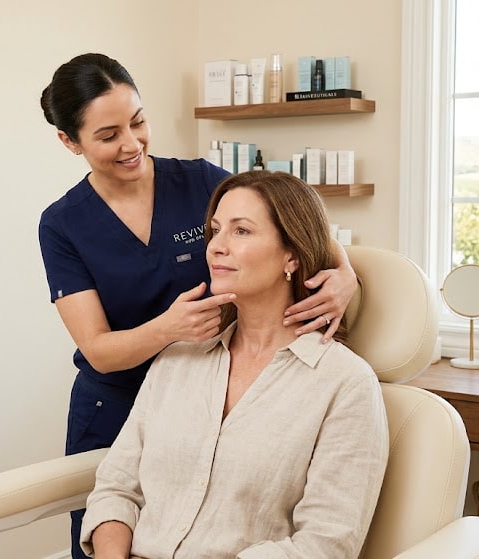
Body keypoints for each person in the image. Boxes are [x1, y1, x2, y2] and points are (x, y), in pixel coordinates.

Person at [37, 53, 359, 558]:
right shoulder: (63, 224)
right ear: (70, 141)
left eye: (138, 122)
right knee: (109, 523)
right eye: (108, 135)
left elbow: (295, 222)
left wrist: (347, 275)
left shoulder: (201, 180)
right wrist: (169, 331)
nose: (132, 144)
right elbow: (98, 350)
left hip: (221, 373)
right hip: (125, 399)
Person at [80, 171, 389, 559]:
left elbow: (325, 544)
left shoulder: (344, 383)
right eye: (215, 230)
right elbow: (116, 489)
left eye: (241, 231)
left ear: (291, 255)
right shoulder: (177, 361)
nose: (215, 247)